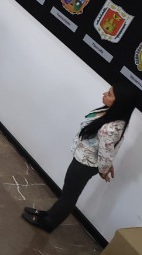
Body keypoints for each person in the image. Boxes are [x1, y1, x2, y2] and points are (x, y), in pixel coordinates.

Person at [24, 87, 134, 232]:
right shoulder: (109, 113)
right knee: (67, 193)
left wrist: (104, 169)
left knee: (69, 195)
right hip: (82, 158)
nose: (104, 94)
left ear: (119, 103)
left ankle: (49, 223)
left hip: (85, 165)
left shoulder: (111, 128)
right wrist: (108, 164)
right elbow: (109, 149)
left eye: (109, 94)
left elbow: (106, 152)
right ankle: (49, 214)